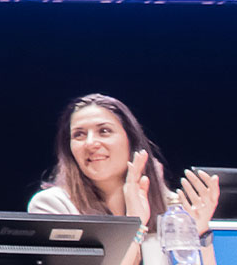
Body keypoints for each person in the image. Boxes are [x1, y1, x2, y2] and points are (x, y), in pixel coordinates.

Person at [29, 93, 223, 265]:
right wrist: (135, 226)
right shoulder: (53, 205)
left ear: (131, 140)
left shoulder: (171, 208)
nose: (90, 143)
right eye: (79, 135)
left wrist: (199, 234)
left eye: (104, 131)